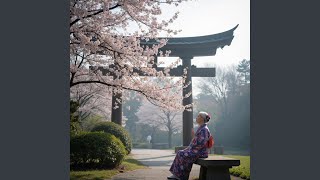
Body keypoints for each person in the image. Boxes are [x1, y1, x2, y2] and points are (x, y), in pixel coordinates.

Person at [167, 111, 212, 180]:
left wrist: (194, 139)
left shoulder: (204, 129)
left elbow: (201, 143)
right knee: (180, 153)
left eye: (198, 116)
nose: (196, 118)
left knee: (182, 154)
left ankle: (181, 176)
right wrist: (193, 140)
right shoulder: (201, 128)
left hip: (201, 152)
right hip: (196, 151)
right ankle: (177, 174)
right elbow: (196, 141)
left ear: (202, 118)